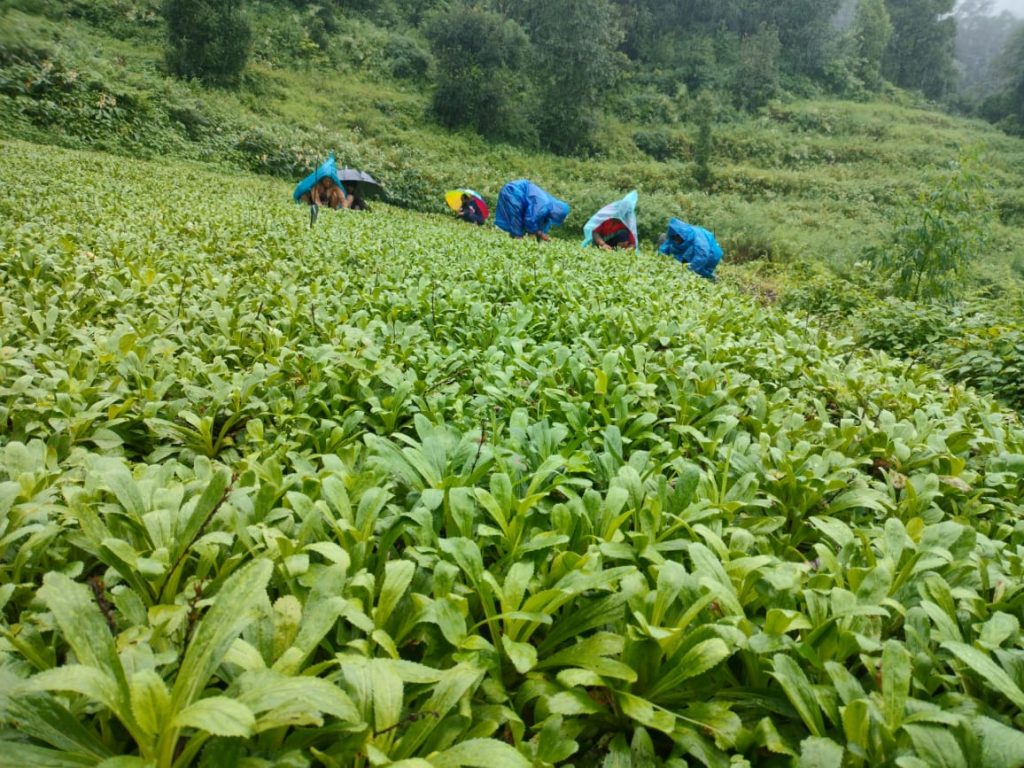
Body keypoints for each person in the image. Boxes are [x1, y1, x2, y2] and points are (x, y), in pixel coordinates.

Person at [494, 179, 569, 241]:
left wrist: (541, 235)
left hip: (518, 195)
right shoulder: (543, 205)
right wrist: (539, 233)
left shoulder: (548, 211)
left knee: (520, 226)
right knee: (516, 223)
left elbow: (541, 225)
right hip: (513, 192)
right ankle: (517, 241)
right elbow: (530, 220)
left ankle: (517, 241)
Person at [658, 218, 723, 280]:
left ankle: (712, 278)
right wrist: (661, 258)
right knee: (679, 256)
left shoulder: (699, 242)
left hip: (712, 252)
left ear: (682, 236)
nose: (676, 241)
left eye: (677, 239)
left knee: (700, 270)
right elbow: (666, 246)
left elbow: (702, 257)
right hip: (693, 249)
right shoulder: (675, 236)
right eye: (674, 239)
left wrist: (687, 272)